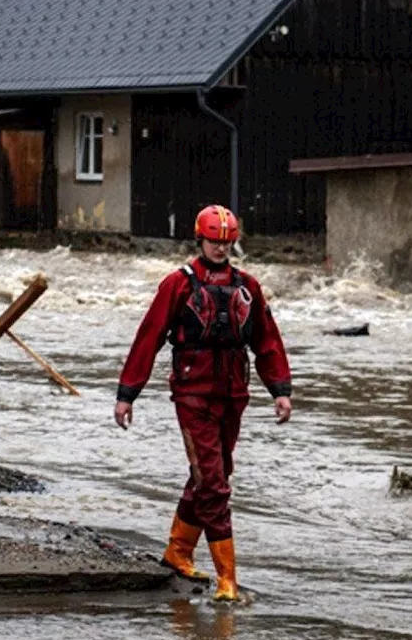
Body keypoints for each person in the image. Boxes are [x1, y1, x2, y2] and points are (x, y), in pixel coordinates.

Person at [114, 204, 292, 601]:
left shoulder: (248, 285)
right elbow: (148, 338)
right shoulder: (177, 285)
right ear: (200, 239)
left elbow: (267, 340)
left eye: (227, 242)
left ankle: (178, 552)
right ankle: (227, 578)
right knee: (213, 483)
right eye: (214, 240)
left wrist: (280, 389)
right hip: (193, 394)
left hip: (234, 394)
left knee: (215, 474)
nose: (220, 248)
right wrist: (128, 395)